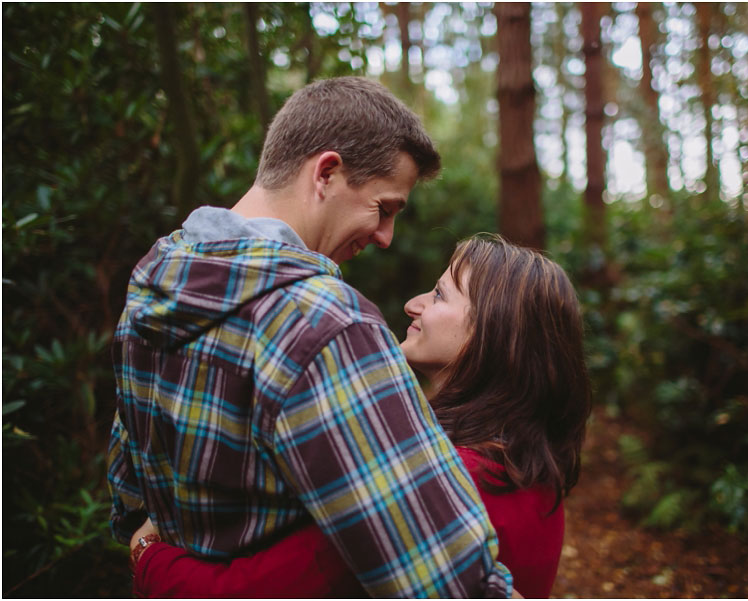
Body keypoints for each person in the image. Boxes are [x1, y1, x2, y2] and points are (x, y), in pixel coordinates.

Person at [106, 77, 515, 598]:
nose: (386, 238)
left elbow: (127, 496)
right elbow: (445, 579)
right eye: (384, 208)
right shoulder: (327, 325)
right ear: (326, 173)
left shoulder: (154, 284)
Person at [128, 234, 592, 598]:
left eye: (439, 294)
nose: (414, 303)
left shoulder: (451, 478)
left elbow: (254, 592)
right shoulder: (528, 467)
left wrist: (147, 552)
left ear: (496, 334)